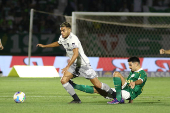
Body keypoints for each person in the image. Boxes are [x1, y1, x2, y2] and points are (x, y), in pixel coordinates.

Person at [36, 22, 115, 104]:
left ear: (69, 30)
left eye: (64, 30)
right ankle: (76, 99)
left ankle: (116, 96)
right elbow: (58, 43)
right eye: (61, 31)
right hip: (75, 65)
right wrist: (45, 46)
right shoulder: (62, 37)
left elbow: (76, 54)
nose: (62, 32)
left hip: (83, 65)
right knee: (64, 80)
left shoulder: (73, 39)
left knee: (98, 85)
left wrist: (67, 66)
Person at [69, 57, 147, 104]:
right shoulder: (133, 72)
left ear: (136, 64)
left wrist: (134, 82)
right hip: (125, 90)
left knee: (116, 74)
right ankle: (74, 85)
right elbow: (130, 84)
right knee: (98, 89)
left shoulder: (142, 73)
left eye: (130, 65)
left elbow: (140, 81)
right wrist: (131, 101)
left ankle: (118, 99)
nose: (129, 67)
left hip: (128, 93)